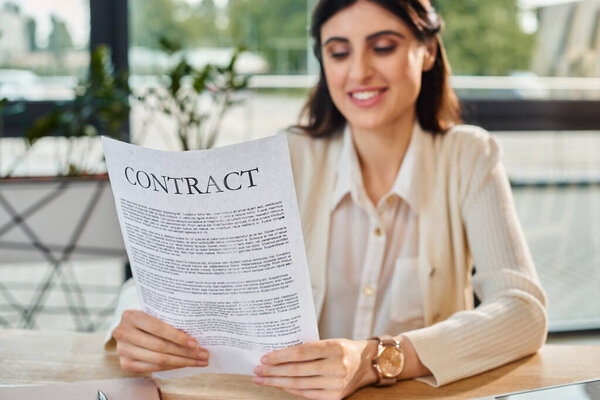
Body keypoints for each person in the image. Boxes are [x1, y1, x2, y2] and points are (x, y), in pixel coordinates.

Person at [104, 0, 548, 399]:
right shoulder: (288, 159)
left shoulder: (469, 156)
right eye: (339, 52)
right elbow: (178, 278)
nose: (358, 72)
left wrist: (375, 361)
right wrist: (134, 321)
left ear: (427, 51)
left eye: (383, 46)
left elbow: (523, 311)